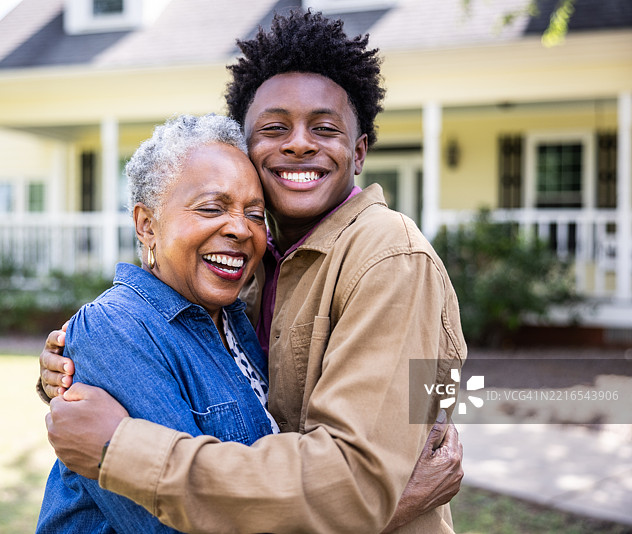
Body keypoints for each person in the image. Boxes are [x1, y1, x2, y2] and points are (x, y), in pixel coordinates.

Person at [42, 10, 466, 533]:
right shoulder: (255, 271)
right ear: (249, 150)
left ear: (359, 153)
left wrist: (118, 447)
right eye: (274, 128)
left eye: (325, 128)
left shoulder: (390, 256)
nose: (298, 144)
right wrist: (76, 364)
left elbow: (375, 461)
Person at [37, 114, 278, 532]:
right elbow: (172, 524)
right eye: (211, 208)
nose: (240, 229)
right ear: (147, 225)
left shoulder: (236, 320)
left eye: (255, 214)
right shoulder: (114, 330)